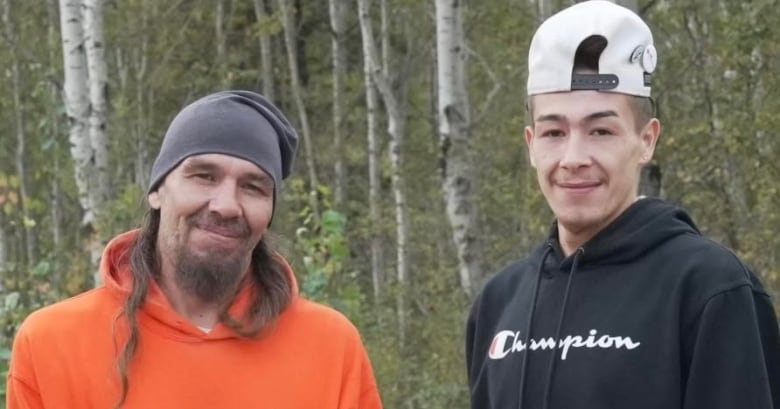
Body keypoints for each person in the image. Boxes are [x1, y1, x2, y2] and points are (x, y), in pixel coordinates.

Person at [465, 2, 779, 409]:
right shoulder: (499, 303)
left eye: (600, 130)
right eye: (554, 132)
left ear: (646, 140)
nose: (573, 157)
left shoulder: (711, 289)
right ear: (530, 144)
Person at [6, 90, 383, 409]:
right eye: (204, 176)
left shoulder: (331, 348)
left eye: (253, 187)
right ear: (157, 191)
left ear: (268, 214)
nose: (226, 205)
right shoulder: (52, 345)